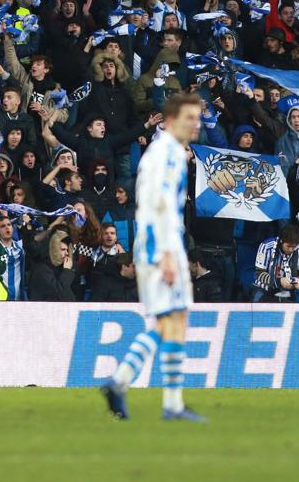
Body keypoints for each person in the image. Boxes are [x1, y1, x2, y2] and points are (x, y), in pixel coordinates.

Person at [99, 91, 205, 422]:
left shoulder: (172, 152)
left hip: (165, 245)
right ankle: (139, 390)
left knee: (174, 319)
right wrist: (167, 256)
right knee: (169, 319)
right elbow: (155, 207)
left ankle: (149, 394)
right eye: (190, 117)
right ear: (171, 121)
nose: (196, 123)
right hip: (159, 248)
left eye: (198, 117)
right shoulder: (163, 155)